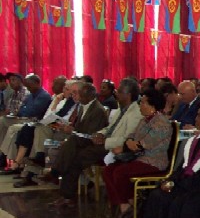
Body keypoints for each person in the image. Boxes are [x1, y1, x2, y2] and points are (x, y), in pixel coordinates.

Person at [48, 78, 141, 209]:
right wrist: (101, 134)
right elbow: (110, 128)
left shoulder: (135, 113)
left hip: (114, 147)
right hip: (102, 141)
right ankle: (64, 192)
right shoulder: (122, 109)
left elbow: (127, 138)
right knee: (73, 150)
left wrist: (105, 140)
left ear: (128, 94)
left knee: (76, 156)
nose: (116, 94)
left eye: (119, 92)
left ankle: (60, 181)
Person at [102, 88, 173, 218]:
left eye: (143, 103)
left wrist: (132, 144)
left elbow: (143, 144)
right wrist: (130, 143)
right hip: (139, 157)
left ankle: (130, 204)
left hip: (153, 161)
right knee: (108, 170)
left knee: (120, 172)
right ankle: (124, 205)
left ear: (152, 106)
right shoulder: (144, 120)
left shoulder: (161, 123)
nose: (140, 105)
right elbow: (131, 137)